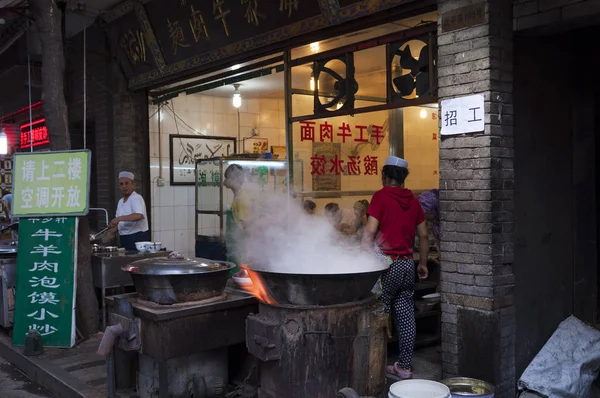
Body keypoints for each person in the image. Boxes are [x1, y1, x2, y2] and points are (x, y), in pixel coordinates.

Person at [361, 156, 429, 380]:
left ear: (384, 176)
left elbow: (369, 233)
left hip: (386, 266)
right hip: (407, 264)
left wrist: (362, 261)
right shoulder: (414, 200)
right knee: (406, 314)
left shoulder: (380, 197)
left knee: (379, 313)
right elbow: (424, 234)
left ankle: (373, 367)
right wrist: (422, 263)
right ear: (403, 178)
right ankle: (405, 367)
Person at [109, 171, 150, 251]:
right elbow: (121, 223)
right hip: (125, 238)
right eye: (121, 184)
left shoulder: (136, 198)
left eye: (127, 183)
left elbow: (139, 215)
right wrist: (111, 231)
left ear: (132, 183)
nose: (124, 186)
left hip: (137, 238)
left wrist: (118, 218)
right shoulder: (120, 201)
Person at [224, 164, 251, 276]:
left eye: (227, 177)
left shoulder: (242, 199)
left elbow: (245, 226)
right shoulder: (237, 196)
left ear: (234, 179)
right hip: (233, 247)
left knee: (240, 277)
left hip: (239, 248)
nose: (225, 181)